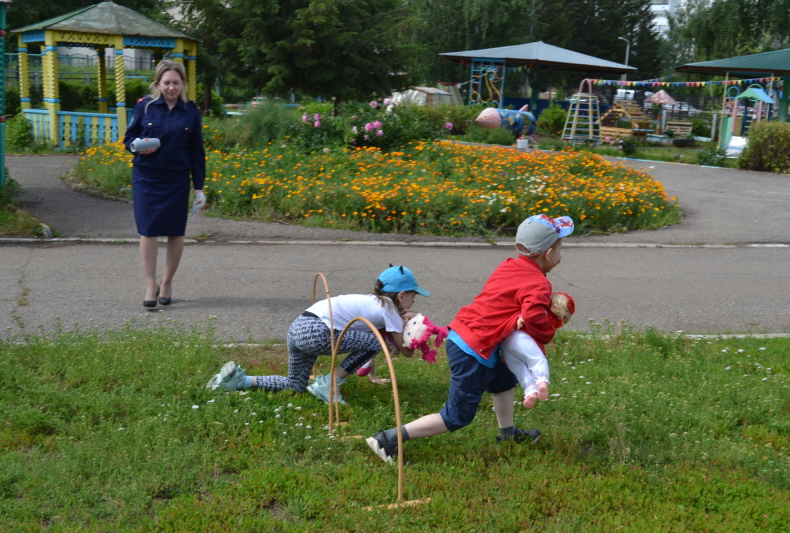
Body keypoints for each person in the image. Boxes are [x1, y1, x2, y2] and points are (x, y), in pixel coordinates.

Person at [366, 213, 574, 464]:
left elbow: (505, 303)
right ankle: (388, 439)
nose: (561, 254)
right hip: (474, 350)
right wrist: (548, 332)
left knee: (503, 380)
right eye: (560, 248)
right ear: (548, 253)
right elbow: (532, 316)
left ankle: (507, 434)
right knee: (457, 416)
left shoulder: (509, 265)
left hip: (467, 335)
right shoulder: (538, 283)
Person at [206, 265, 430, 404]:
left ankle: (239, 381)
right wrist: (418, 325)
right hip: (318, 332)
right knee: (374, 341)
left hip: (298, 328)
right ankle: (330, 383)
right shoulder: (388, 309)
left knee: (295, 384)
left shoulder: (371, 300)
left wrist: (405, 316)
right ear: (401, 295)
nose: (413, 301)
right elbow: (405, 350)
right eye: (413, 296)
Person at [123, 59, 206, 308]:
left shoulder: (191, 112)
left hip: (176, 180)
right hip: (147, 178)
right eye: (166, 82)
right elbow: (128, 138)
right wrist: (136, 147)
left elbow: (196, 152)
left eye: (176, 83)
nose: (171, 87)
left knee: (175, 232)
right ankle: (150, 284)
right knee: (147, 231)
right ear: (157, 83)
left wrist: (198, 187)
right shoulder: (145, 108)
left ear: (183, 84)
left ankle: (167, 282)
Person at [501, 291, 575, 409]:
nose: (562, 320)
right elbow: (530, 316)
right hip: (521, 337)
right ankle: (541, 381)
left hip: (506, 341)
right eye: (564, 316)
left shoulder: (540, 308)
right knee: (537, 359)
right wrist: (522, 318)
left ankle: (530, 390)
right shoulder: (543, 312)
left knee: (517, 366)